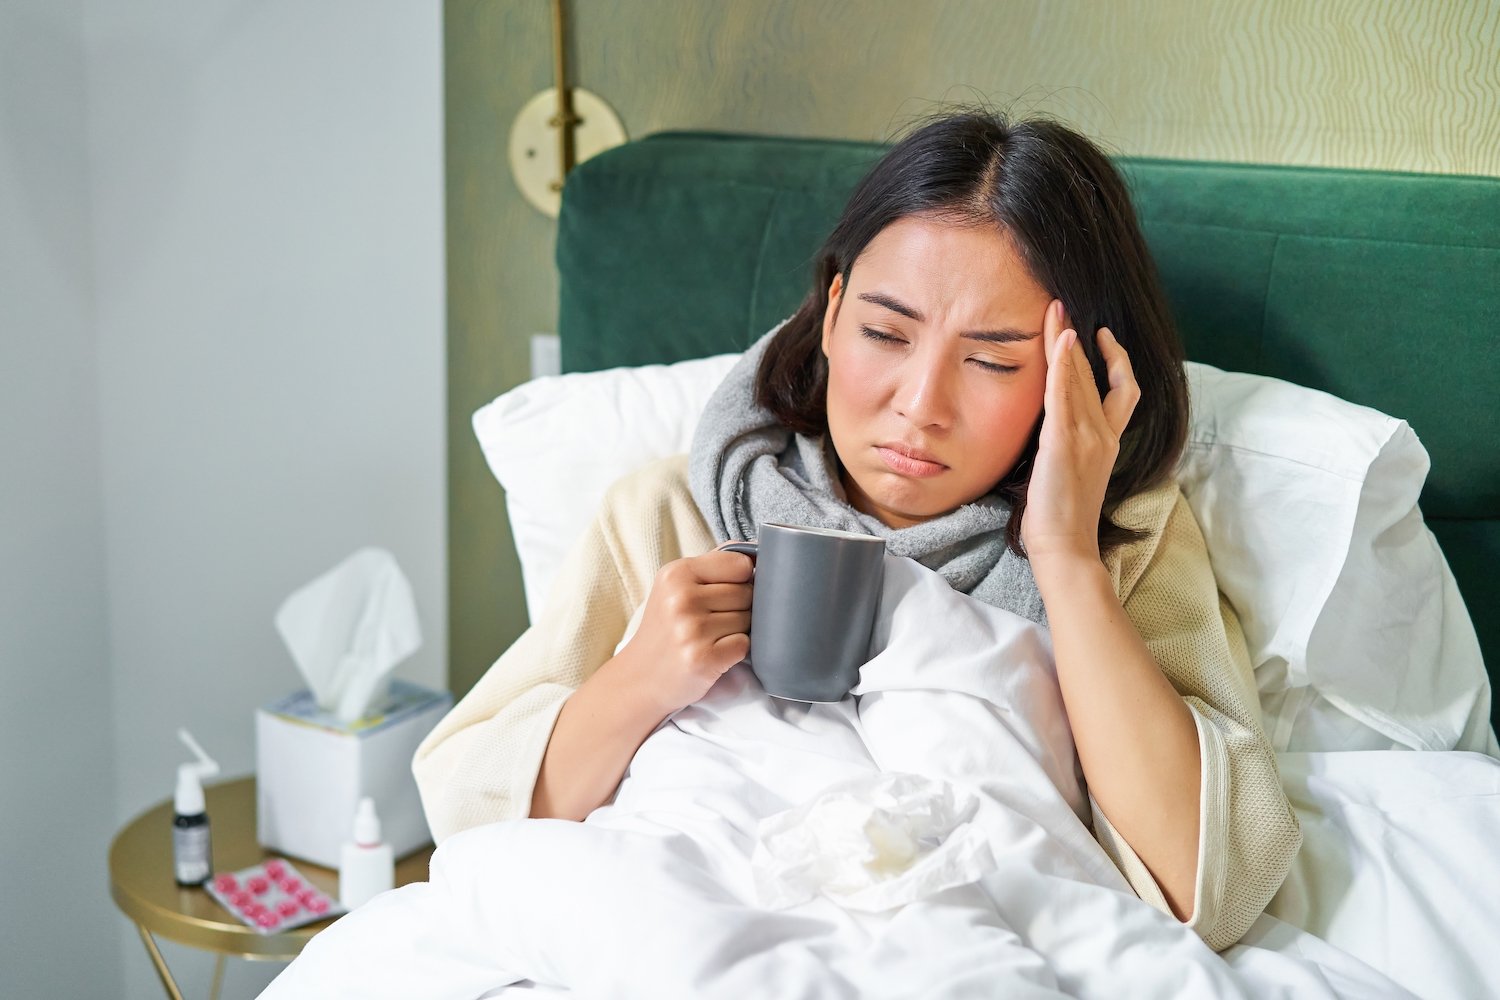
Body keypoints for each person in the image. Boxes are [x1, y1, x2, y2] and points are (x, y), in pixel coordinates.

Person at [413, 110, 1301, 953]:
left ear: (1074, 380)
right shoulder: (672, 514)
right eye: (886, 332)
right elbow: (470, 812)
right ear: (832, 314)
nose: (920, 406)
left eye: (992, 361)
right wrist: (640, 681)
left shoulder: (1124, 545)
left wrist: (1065, 559)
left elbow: (1209, 886)